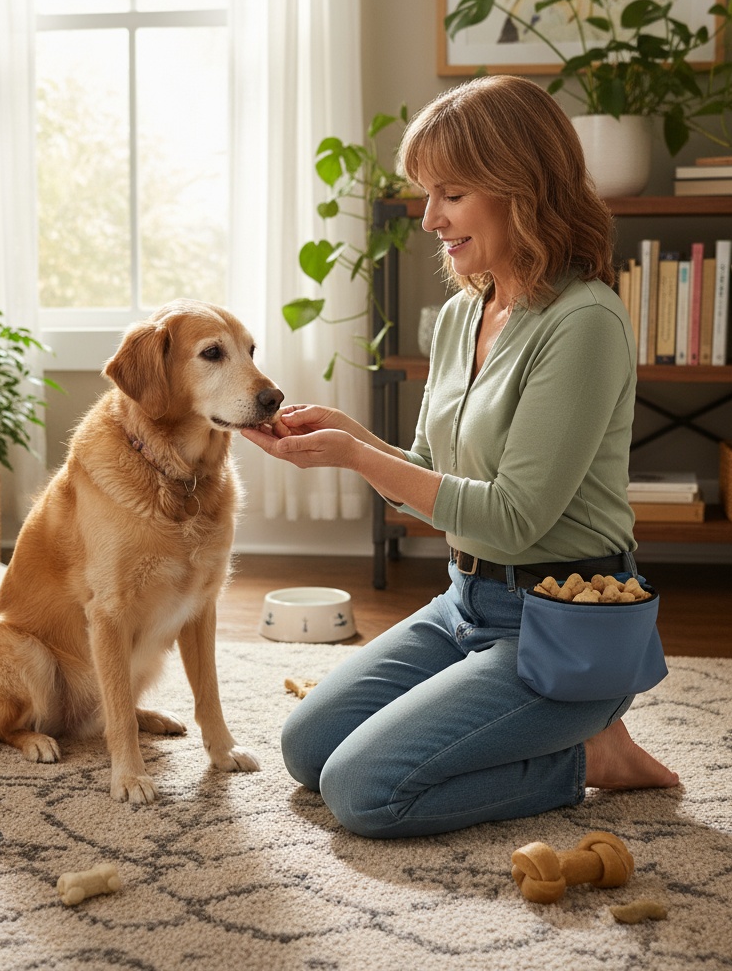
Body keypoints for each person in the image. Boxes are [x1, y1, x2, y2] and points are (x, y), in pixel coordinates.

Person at [240, 75, 679, 840]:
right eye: (425, 194)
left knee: (363, 791)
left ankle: (589, 755)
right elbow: (427, 476)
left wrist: (356, 455)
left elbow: (511, 520)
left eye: (450, 194)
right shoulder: (460, 314)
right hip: (464, 603)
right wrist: (349, 442)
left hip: (561, 625)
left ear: (521, 188)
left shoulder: (584, 323)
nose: (429, 218)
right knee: (306, 747)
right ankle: (533, 725)